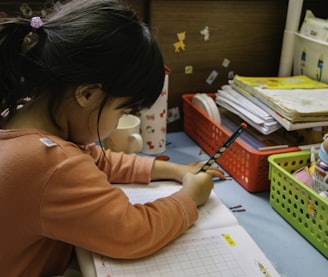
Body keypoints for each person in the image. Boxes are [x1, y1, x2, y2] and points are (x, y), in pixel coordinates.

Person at [0, 0, 225, 276]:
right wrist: (191, 197)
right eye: (124, 111)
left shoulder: (23, 110)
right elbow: (131, 231)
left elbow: (94, 160)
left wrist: (172, 170)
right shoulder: (51, 163)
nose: (120, 121)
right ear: (87, 94)